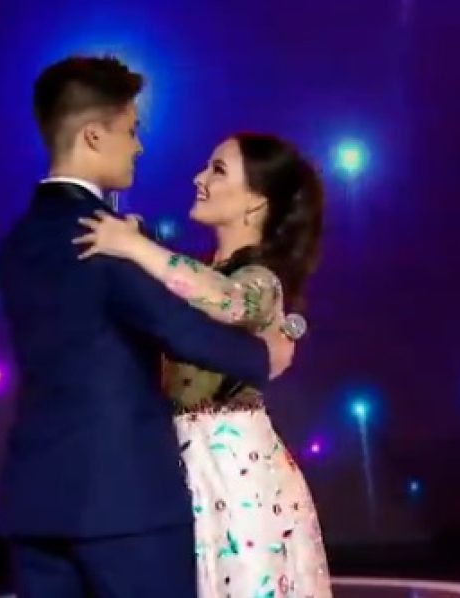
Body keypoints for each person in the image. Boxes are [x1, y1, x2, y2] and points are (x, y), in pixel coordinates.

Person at [0, 56, 294, 598]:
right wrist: (264, 356)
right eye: (131, 131)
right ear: (93, 135)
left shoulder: (17, 242)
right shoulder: (104, 238)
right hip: (124, 505)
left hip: (34, 505)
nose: (138, 147)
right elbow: (179, 328)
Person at [74, 132, 333, 596]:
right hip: (176, 460)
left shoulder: (260, 280)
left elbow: (229, 301)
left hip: (233, 469)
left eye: (218, 170)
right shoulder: (194, 271)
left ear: (255, 201)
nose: (199, 178)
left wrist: (134, 247)